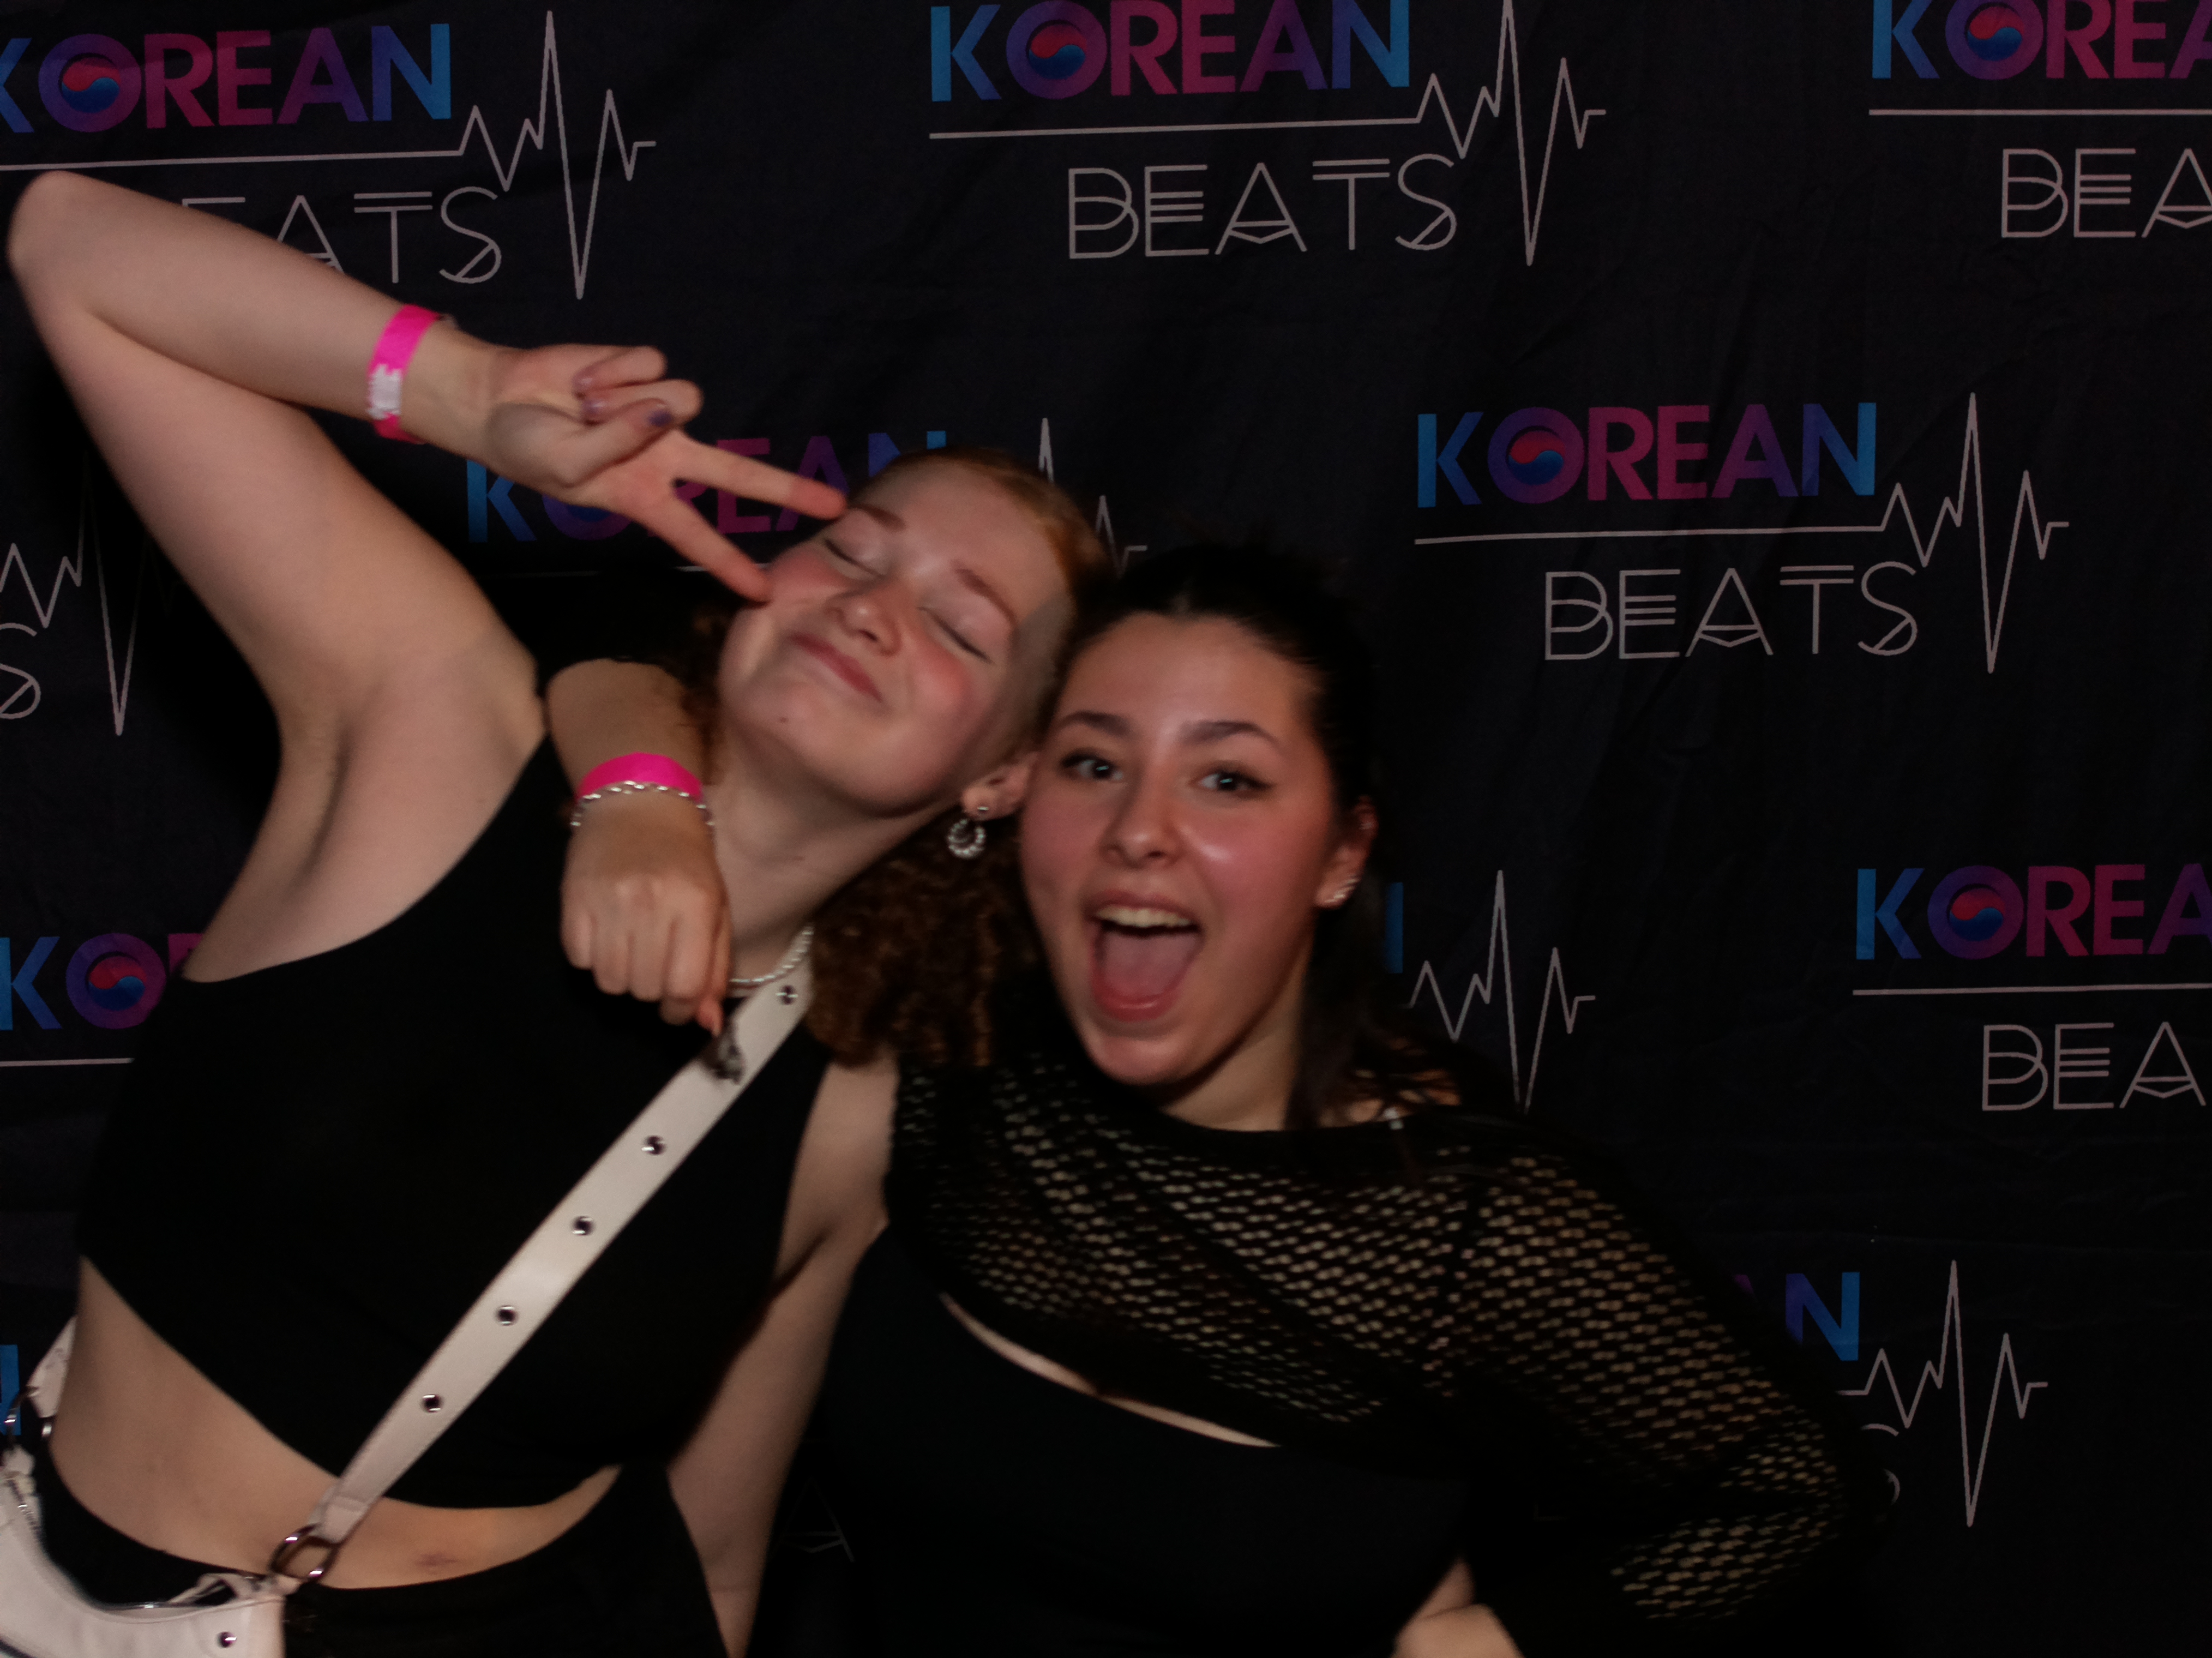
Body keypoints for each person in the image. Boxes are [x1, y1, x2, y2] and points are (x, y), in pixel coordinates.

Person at [5, 170, 1101, 1656]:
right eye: (852, 546)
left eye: (964, 626)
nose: (873, 606)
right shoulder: (436, 728)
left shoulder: (853, 1100)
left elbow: (715, 1549)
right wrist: (465, 392)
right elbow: (70, 244)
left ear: (1004, 774)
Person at [555, 546, 1892, 1656]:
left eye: (1229, 778)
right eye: (1093, 762)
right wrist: (640, 805)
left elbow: (1793, 1487)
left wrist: (1486, 1641)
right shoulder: (948, 1071)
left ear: (1342, 851)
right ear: (1018, 798)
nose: (1141, 827)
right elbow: (601, 633)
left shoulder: (1461, 1224)